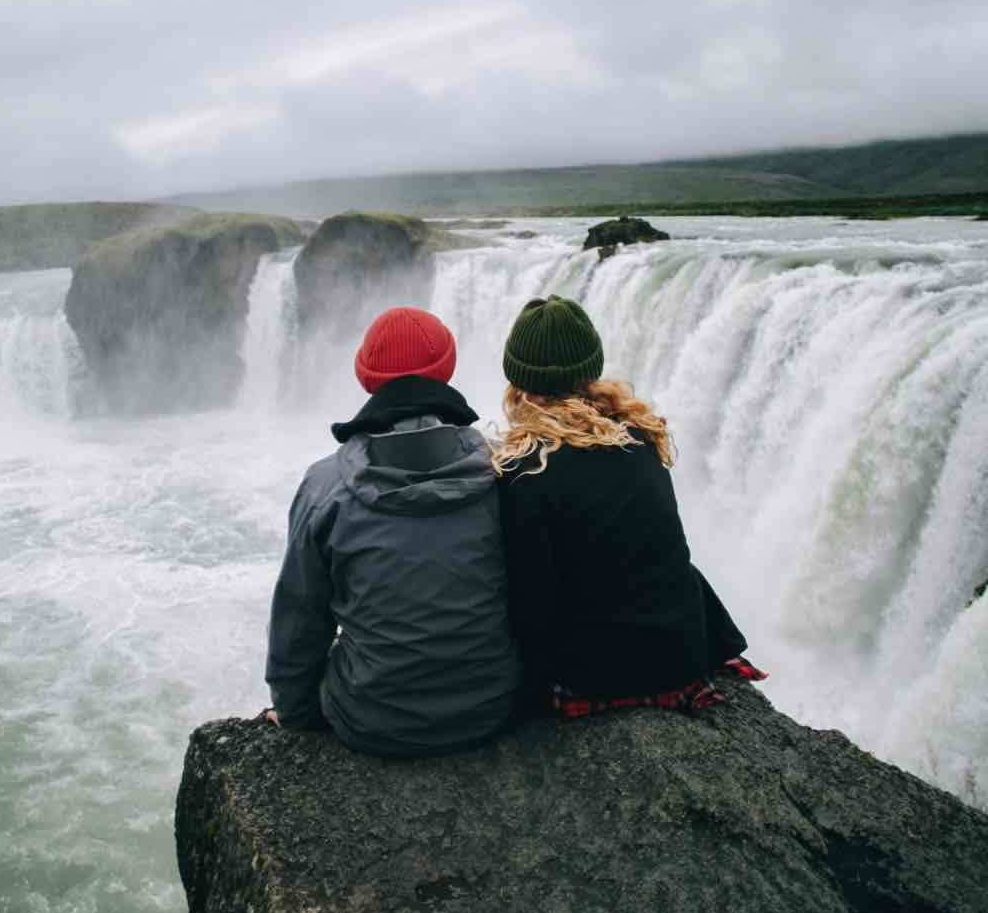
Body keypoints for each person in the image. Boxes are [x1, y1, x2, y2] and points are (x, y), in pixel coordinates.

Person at [492, 295, 765, 719]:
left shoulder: (525, 471)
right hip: (682, 653)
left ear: (518, 381)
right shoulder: (639, 436)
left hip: (600, 672)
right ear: (590, 370)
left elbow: (534, 603)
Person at [264, 306, 521, 755]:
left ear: (366, 378)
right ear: (446, 370)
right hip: (492, 707)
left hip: (372, 719)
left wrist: (296, 712)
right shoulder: (505, 473)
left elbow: (300, 619)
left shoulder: (326, 487)